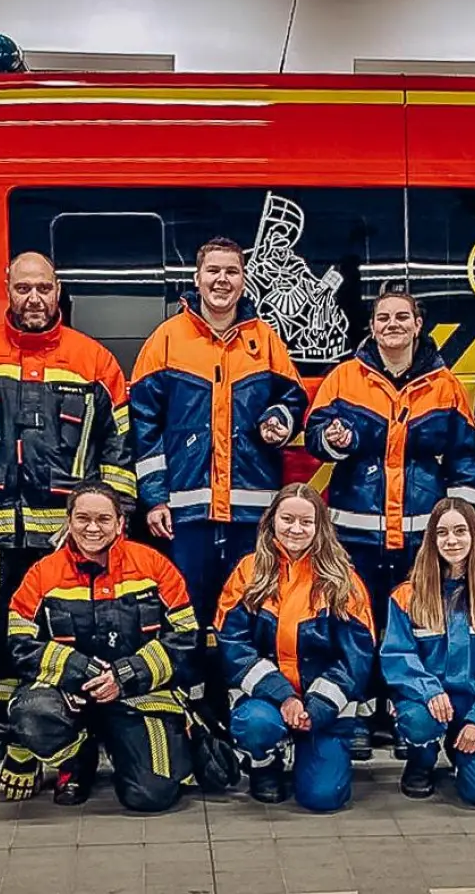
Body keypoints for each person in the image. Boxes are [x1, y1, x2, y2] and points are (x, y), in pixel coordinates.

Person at [0, 251, 135, 775]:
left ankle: (58, 722)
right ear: (7, 289)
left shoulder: (94, 360)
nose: (34, 299)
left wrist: (118, 518)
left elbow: (118, 448)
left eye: (43, 287)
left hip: (70, 536)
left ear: (58, 288)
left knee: (68, 626)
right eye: (23, 288)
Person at [132, 237, 308, 713]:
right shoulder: (165, 340)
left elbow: (293, 398)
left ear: (243, 278)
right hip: (186, 513)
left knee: (248, 613)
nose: (221, 280)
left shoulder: (264, 339)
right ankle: (190, 711)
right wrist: (155, 497)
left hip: (253, 512)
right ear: (197, 277)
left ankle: (243, 708)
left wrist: (281, 418)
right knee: (186, 614)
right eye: (213, 270)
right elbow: (143, 426)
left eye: (231, 271)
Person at [304, 287, 475, 757]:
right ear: (372, 326)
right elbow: (313, 437)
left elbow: (465, 456)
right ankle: (360, 713)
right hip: (354, 531)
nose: (393, 325)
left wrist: (463, 522)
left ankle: (408, 713)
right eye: (384, 318)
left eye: (403, 317)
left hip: (422, 535)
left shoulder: (444, 385)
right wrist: (333, 438)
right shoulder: (344, 377)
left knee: (416, 626)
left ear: (418, 325)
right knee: (358, 626)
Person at [0, 481, 198, 812]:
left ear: (120, 523)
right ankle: (78, 757)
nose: (92, 528)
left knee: (151, 795)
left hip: (137, 694)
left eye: (103, 519)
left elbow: (186, 637)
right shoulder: (42, 574)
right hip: (70, 694)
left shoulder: (155, 566)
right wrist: (83, 672)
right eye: (82, 518)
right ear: (69, 521)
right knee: (31, 712)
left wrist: (123, 676)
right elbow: (20, 644)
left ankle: (127, 748)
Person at [215, 484, 376, 811]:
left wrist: (313, 709)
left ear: (321, 527)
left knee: (323, 797)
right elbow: (233, 645)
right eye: (287, 519)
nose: (296, 529)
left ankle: (313, 747)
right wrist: (284, 696)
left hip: (323, 709)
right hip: (268, 704)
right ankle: (265, 762)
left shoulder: (342, 580)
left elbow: (356, 659)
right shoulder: (249, 572)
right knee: (256, 724)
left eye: (307, 522)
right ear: (271, 520)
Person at [381, 498, 475, 806]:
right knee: (419, 722)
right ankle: (421, 759)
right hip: (427, 702)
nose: (452, 540)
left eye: (460, 531)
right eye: (442, 533)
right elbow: (397, 657)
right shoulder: (408, 595)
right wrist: (429, 690)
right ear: (431, 539)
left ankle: (467, 754)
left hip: (474, 703)